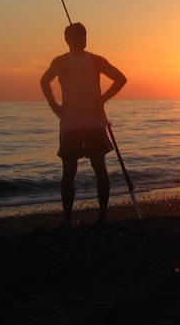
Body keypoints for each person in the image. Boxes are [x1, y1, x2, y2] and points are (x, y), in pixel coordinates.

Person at [39, 22, 127, 227]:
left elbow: (44, 81)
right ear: (85, 38)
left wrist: (54, 105)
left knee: (69, 172)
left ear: (67, 40)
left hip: (71, 122)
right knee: (99, 169)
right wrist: (102, 99)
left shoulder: (61, 61)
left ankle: (68, 220)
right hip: (93, 122)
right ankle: (102, 217)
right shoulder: (96, 60)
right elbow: (121, 79)